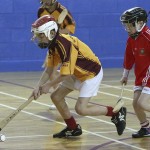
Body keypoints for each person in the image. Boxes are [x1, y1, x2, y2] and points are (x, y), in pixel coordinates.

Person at [30, 15, 127, 138]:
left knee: (81, 109)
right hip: (76, 73)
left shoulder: (65, 45)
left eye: (41, 35)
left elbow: (66, 74)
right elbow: (49, 70)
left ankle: (116, 113)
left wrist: (48, 85)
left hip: (91, 73)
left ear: (51, 32)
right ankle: (73, 128)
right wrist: (37, 86)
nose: (38, 38)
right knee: (56, 96)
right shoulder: (53, 46)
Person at [38, 0, 76, 109]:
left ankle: (60, 97)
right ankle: (59, 96)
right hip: (52, 43)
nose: (43, 2)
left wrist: (56, 33)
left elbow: (71, 29)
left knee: (51, 69)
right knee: (50, 70)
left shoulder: (63, 11)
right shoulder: (41, 11)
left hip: (64, 43)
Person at [120, 7, 150, 138]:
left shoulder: (148, 37)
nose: (127, 28)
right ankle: (146, 128)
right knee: (135, 104)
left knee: (142, 103)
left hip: (149, 74)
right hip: (140, 74)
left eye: (129, 25)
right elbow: (129, 58)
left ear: (139, 23)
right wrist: (125, 75)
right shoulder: (131, 39)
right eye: (125, 25)